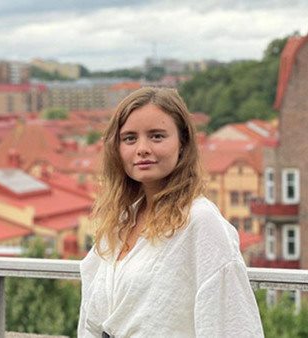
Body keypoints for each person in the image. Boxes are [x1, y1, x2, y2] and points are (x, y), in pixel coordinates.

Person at [78, 87, 263, 337]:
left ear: (183, 144)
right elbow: (91, 315)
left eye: (156, 136)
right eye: (130, 138)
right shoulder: (120, 221)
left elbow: (231, 323)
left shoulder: (199, 220)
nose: (142, 148)